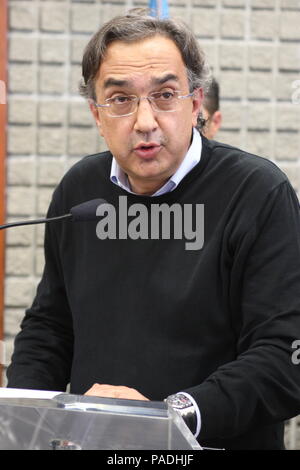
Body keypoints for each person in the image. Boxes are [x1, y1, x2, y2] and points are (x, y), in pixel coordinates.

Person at [7, 9, 300, 450]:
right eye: (121, 99)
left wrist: (167, 417)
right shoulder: (80, 192)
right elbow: (51, 327)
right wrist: (23, 418)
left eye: (164, 95)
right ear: (97, 114)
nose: (145, 121)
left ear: (196, 103)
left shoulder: (256, 192)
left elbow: (284, 357)